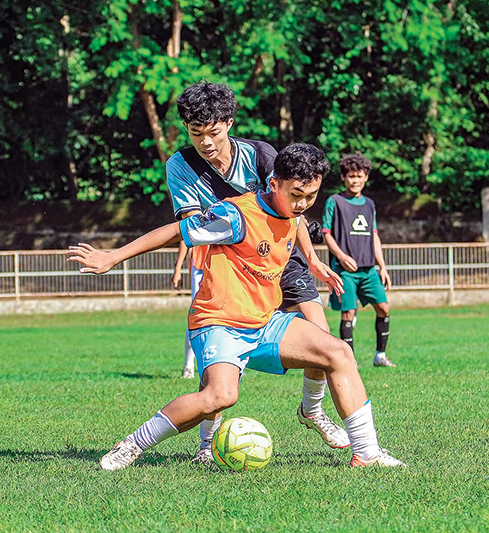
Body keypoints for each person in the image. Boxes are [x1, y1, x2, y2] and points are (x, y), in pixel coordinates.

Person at [69, 143, 405, 470]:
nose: (303, 204)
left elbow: (298, 222)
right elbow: (175, 232)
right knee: (221, 396)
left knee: (338, 352)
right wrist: (112, 256)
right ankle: (133, 444)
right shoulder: (234, 216)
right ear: (273, 183)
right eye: (296, 195)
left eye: (311, 196)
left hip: (265, 322)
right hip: (219, 323)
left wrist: (314, 261)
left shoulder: (292, 211)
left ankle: (367, 453)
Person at [165, 81, 348, 460]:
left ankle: (312, 410)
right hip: (231, 264)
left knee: (324, 339)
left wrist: (313, 260)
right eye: (196, 133)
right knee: (219, 366)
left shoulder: (260, 155)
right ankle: (207, 444)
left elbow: (293, 208)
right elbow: (192, 226)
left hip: (282, 255)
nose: (206, 142)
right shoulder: (180, 167)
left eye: (213, 132)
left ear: (228, 124)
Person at [321, 152, 396, 368]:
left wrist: (382, 267)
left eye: (359, 176)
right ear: (343, 177)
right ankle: (349, 362)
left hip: (368, 269)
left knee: (383, 308)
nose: (355, 180)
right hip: (345, 270)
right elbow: (326, 233)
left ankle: (380, 356)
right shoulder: (334, 202)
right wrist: (342, 256)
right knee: (348, 313)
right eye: (351, 176)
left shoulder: (369, 204)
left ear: (366, 178)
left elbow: (374, 235)